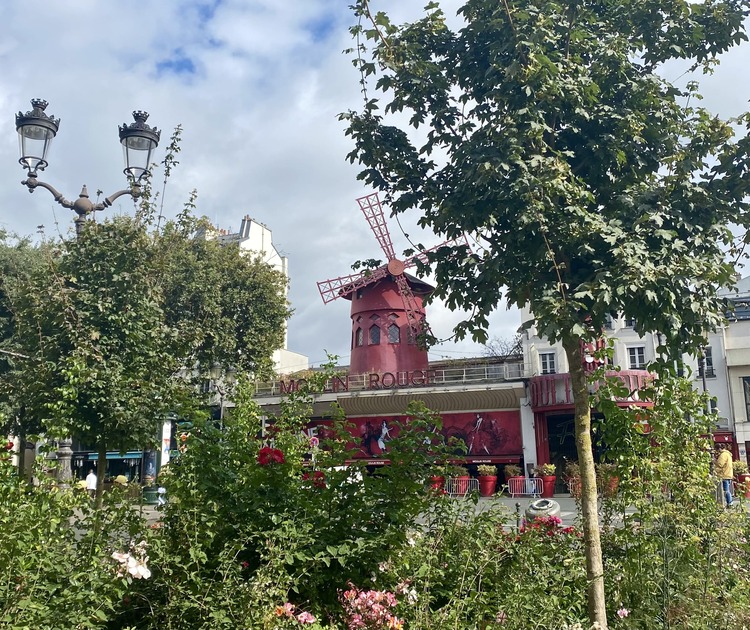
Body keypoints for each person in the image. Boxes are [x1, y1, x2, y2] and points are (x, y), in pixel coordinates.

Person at [715, 443, 734, 507]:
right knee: (727, 490)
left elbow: (720, 464)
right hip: (728, 474)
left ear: (719, 449)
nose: (717, 452)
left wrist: (714, 461)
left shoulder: (723, 455)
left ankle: (730, 503)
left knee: (726, 490)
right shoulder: (728, 454)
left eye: (717, 450)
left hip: (724, 474)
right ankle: (730, 502)